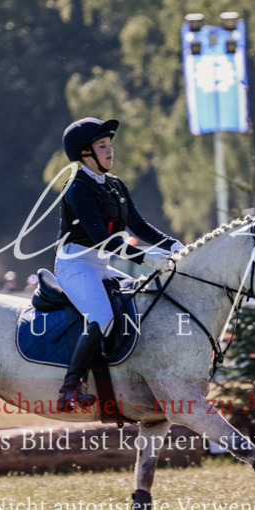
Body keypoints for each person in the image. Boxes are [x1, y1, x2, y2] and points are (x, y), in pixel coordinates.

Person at [55, 117, 182, 411]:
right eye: (102, 145)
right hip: (75, 264)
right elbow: (101, 237)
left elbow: (139, 225)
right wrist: (147, 258)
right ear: (84, 153)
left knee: (140, 303)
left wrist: (175, 246)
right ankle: (69, 390)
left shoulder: (115, 184)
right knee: (102, 316)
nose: (110, 150)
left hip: (99, 265)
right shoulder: (77, 187)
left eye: (110, 144)